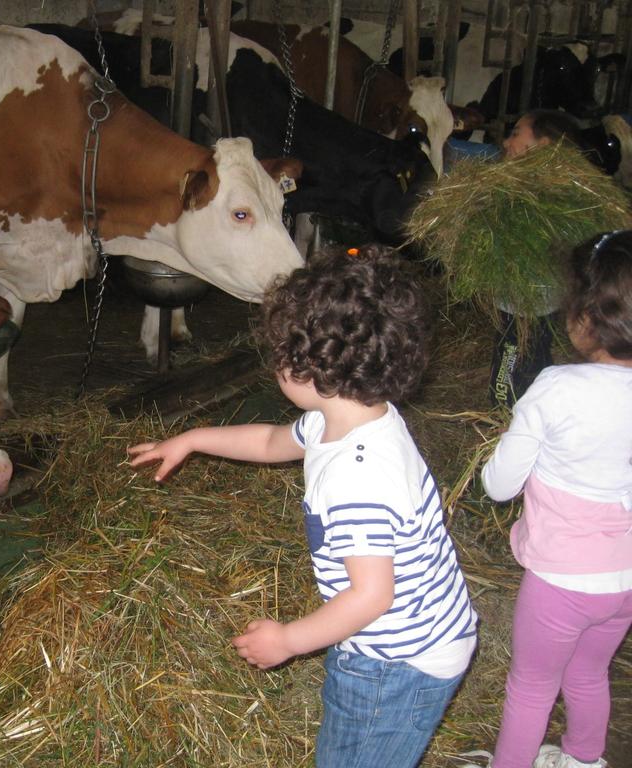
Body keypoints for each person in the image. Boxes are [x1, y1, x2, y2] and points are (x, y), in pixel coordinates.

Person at [128, 246, 479, 768]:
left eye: (278, 355)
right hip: (419, 632)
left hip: (397, 661)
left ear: (305, 366)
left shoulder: (356, 475)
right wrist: (193, 438)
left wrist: (288, 640)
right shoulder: (353, 415)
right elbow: (272, 442)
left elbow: (371, 596)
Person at [476, 230, 632, 768]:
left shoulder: (557, 386)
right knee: (589, 672)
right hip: (625, 580)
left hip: (560, 582)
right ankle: (584, 758)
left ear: (584, 318)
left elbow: (499, 484)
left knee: (531, 687)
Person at [491, 109, 589, 408]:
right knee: (536, 357)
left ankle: (503, 418)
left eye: (516, 133)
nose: (507, 142)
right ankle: (535, 413)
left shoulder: (536, 194)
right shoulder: (562, 187)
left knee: (509, 365)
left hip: (525, 301)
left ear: (543, 145)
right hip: (542, 300)